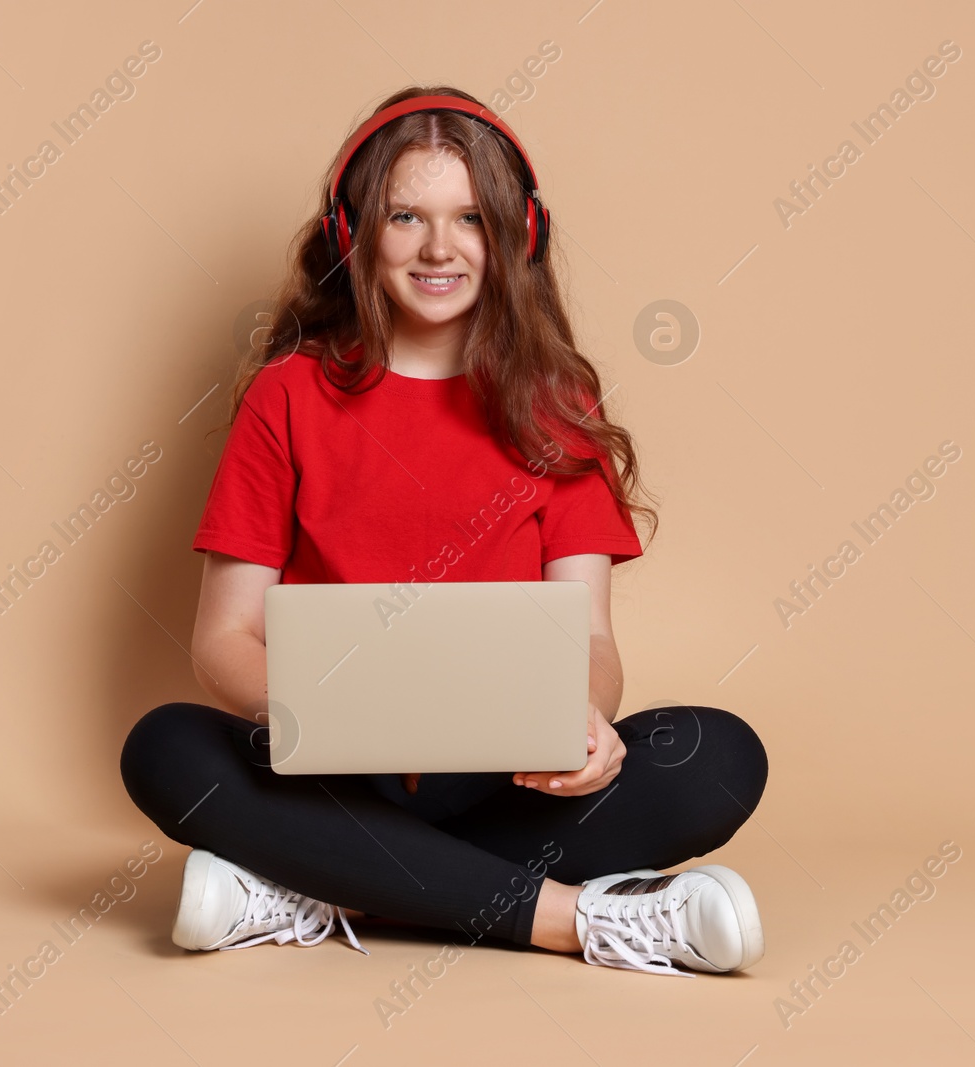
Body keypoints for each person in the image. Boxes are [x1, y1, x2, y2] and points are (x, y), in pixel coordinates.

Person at [119, 86, 769, 977]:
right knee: (166, 746)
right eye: (405, 216)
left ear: (517, 236)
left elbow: (589, 635)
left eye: (471, 217)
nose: (439, 247)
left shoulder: (558, 400)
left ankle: (317, 888)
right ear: (353, 236)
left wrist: (585, 721)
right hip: (333, 775)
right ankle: (578, 919)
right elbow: (223, 636)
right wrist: (320, 714)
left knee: (720, 755)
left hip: (501, 780)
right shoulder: (288, 395)